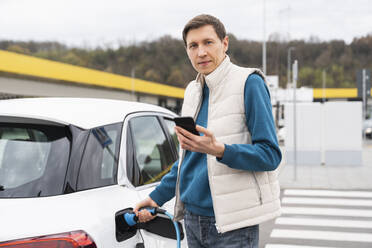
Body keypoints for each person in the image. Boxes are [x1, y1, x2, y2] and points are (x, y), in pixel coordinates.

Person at [134, 14, 282, 248]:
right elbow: (187, 159)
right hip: (192, 220)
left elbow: (270, 155)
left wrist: (220, 150)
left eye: (208, 42)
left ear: (225, 43)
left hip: (233, 226)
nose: (200, 52)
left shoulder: (249, 83)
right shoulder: (192, 91)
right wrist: (156, 197)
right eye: (193, 45)